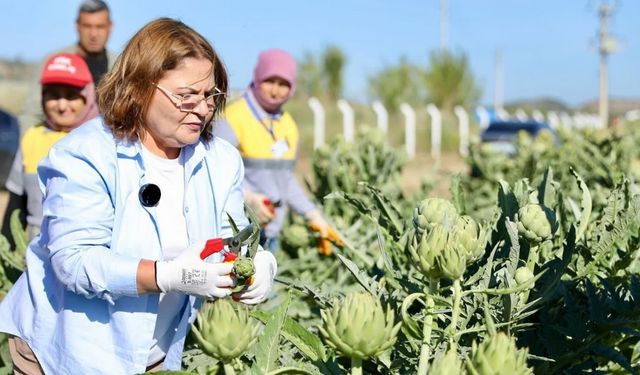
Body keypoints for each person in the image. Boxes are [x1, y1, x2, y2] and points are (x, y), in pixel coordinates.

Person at [0, 18, 277, 374]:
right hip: (67, 345)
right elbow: (74, 262)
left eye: (210, 95)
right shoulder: (85, 153)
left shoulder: (221, 161)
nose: (203, 108)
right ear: (139, 88)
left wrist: (257, 266)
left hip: (153, 349)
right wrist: (168, 276)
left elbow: (235, 237)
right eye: (186, 95)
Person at [214, 49, 341, 254]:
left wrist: (312, 215)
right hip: (234, 234)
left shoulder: (288, 125)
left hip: (270, 233)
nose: (275, 90)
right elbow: (215, 172)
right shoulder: (232, 118)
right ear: (257, 79)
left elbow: (285, 181)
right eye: (269, 81)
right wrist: (247, 198)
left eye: (283, 84)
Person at [1, 53, 99, 248]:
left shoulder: (103, 139)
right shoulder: (32, 138)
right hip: (36, 263)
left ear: (87, 96)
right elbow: (16, 208)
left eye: (71, 96)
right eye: (53, 95)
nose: (62, 106)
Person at [18, 0, 116, 134]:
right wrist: (27, 149)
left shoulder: (120, 66)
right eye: (87, 26)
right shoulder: (55, 62)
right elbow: (31, 114)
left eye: (100, 27)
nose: (93, 34)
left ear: (110, 27)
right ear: (77, 26)